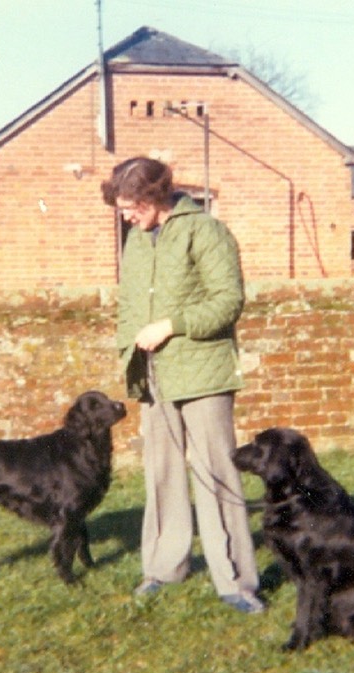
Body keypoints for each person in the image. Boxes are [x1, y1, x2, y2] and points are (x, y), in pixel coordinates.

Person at [101, 157, 264, 614]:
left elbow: (228, 301)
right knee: (161, 473)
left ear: (155, 196)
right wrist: (128, 346)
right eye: (123, 209)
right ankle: (163, 567)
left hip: (204, 373)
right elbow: (128, 302)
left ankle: (235, 580)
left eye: (132, 206)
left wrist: (171, 325)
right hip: (153, 376)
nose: (127, 216)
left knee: (216, 473)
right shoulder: (136, 239)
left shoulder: (206, 232)